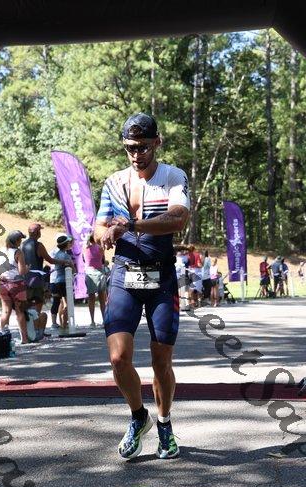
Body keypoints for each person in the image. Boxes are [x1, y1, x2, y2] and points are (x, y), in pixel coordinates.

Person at [94, 112, 190, 460]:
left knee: (161, 361)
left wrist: (131, 225)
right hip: (124, 274)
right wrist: (105, 233)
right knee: (118, 358)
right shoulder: (114, 182)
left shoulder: (173, 176)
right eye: (130, 147)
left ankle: (164, 423)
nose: (136, 154)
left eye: (143, 147)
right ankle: (139, 417)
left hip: (161, 276)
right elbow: (98, 226)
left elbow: (178, 218)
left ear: (157, 143)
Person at [22, 223, 71, 314]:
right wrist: (64, 262)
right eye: (40, 231)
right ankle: (36, 321)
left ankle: (29, 321)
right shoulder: (38, 245)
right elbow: (50, 260)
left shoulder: (22, 244)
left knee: (27, 304)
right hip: (37, 279)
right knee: (38, 302)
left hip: (25, 278)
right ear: (37, 232)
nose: (40, 233)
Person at [0, 230, 30, 344]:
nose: (20, 242)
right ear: (16, 241)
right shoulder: (18, 252)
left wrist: (0, 277)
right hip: (18, 285)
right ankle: (24, 339)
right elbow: (21, 271)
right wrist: (27, 268)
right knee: (20, 311)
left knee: (5, 311)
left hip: (3, 285)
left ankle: (4, 338)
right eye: (20, 240)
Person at [49, 234, 76, 330]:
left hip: (56, 281)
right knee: (67, 303)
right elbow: (73, 269)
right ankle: (64, 324)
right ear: (66, 244)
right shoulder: (66, 256)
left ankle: (58, 323)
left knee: (58, 302)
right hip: (64, 282)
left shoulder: (56, 254)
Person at [83, 232, 107, 327]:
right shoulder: (100, 248)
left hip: (89, 272)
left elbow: (84, 259)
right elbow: (103, 261)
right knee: (102, 299)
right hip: (99, 272)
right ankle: (104, 320)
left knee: (91, 298)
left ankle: (92, 321)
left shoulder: (85, 248)